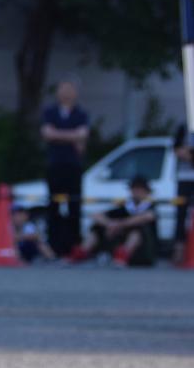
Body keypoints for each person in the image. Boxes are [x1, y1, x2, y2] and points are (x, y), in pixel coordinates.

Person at [40, 81, 90, 256]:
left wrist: (58, 134)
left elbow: (83, 135)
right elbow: (47, 133)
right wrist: (73, 136)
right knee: (53, 205)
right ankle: (53, 247)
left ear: (75, 93)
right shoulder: (50, 112)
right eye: (63, 89)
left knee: (74, 205)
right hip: (54, 164)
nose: (66, 93)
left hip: (73, 165)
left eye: (70, 89)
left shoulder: (81, 113)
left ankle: (74, 246)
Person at [69, 175, 158, 267]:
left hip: (144, 250)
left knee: (137, 231)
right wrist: (109, 224)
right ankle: (81, 251)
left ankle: (123, 255)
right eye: (134, 189)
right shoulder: (125, 207)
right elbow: (96, 215)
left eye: (140, 190)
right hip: (119, 241)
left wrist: (120, 224)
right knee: (97, 228)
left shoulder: (150, 206)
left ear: (147, 191)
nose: (136, 192)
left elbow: (147, 217)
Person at [172, 123, 194, 264]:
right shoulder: (183, 128)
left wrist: (188, 152)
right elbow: (177, 151)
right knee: (181, 214)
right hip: (184, 178)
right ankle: (179, 251)